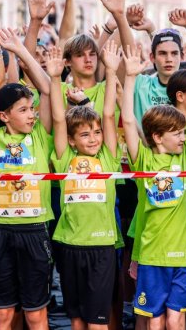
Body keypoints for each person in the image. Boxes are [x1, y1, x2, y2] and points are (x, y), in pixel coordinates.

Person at [0, 24, 53, 330]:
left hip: (35, 230)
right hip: (1, 231)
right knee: (2, 315)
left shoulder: (41, 135)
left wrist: (18, 49)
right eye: (23, 110)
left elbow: (46, 89)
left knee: (35, 314)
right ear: (4, 116)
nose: (31, 114)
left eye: (31, 109)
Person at [122, 37, 186, 330]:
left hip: (184, 252)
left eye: (184, 133)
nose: (184, 138)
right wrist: (130, 77)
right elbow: (128, 121)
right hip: (152, 254)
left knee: (176, 318)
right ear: (158, 137)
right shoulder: (143, 160)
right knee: (155, 319)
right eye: (177, 134)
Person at [46, 41, 121, 329]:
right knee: (77, 320)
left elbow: (110, 116)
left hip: (101, 246)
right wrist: (54, 78)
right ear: (74, 140)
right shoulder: (65, 158)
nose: (93, 138)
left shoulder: (109, 158)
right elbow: (57, 119)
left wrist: (112, 72)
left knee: (97, 322)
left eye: (97, 133)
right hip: (69, 245)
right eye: (85, 134)